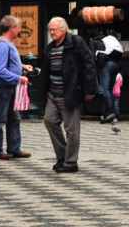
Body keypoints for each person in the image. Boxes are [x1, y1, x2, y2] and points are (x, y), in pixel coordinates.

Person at [37, 17, 98, 174]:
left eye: (54, 30)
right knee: (49, 121)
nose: (52, 33)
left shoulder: (76, 42)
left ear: (64, 30)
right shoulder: (50, 47)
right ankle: (63, 155)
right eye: (50, 30)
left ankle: (71, 162)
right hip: (52, 93)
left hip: (69, 92)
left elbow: (89, 63)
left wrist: (89, 88)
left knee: (71, 129)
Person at [0, 15, 33, 160]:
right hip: (3, 87)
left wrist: (22, 66)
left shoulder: (9, 44)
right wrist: (18, 78)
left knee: (14, 118)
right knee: (0, 119)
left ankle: (14, 148)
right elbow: (0, 70)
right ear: (11, 28)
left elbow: (9, 64)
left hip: (10, 86)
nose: (19, 30)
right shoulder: (3, 46)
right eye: (18, 27)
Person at [90, 29, 123, 124]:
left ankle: (111, 112)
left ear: (91, 38)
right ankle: (105, 114)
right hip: (116, 65)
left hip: (106, 65)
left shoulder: (94, 41)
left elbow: (92, 57)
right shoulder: (107, 39)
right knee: (109, 90)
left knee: (105, 89)